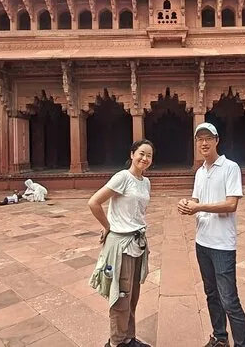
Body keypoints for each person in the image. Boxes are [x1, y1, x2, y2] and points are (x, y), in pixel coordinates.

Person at [178, 123, 245, 347]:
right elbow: (196, 200)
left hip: (222, 245)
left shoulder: (230, 167)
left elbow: (231, 204)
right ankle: (220, 337)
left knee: (229, 300)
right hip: (202, 242)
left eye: (208, 138)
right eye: (200, 139)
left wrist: (199, 207)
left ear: (217, 140)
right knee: (211, 294)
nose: (204, 143)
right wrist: (187, 204)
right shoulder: (200, 172)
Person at [88, 139, 155, 347]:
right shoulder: (123, 177)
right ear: (132, 154)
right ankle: (116, 342)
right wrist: (108, 226)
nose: (145, 158)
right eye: (141, 153)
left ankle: (128, 338)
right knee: (121, 295)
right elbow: (94, 202)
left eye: (149, 155)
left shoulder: (145, 182)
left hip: (137, 242)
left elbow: (133, 211)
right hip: (122, 245)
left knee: (133, 295)